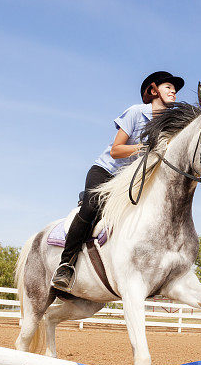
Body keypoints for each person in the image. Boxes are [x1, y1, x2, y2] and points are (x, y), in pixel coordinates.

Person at [51, 71, 185, 292]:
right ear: (153, 90)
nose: (173, 91)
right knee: (91, 207)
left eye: (175, 89)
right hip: (106, 172)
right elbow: (116, 150)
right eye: (168, 87)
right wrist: (145, 148)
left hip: (130, 180)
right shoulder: (135, 112)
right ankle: (65, 264)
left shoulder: (168, 125)